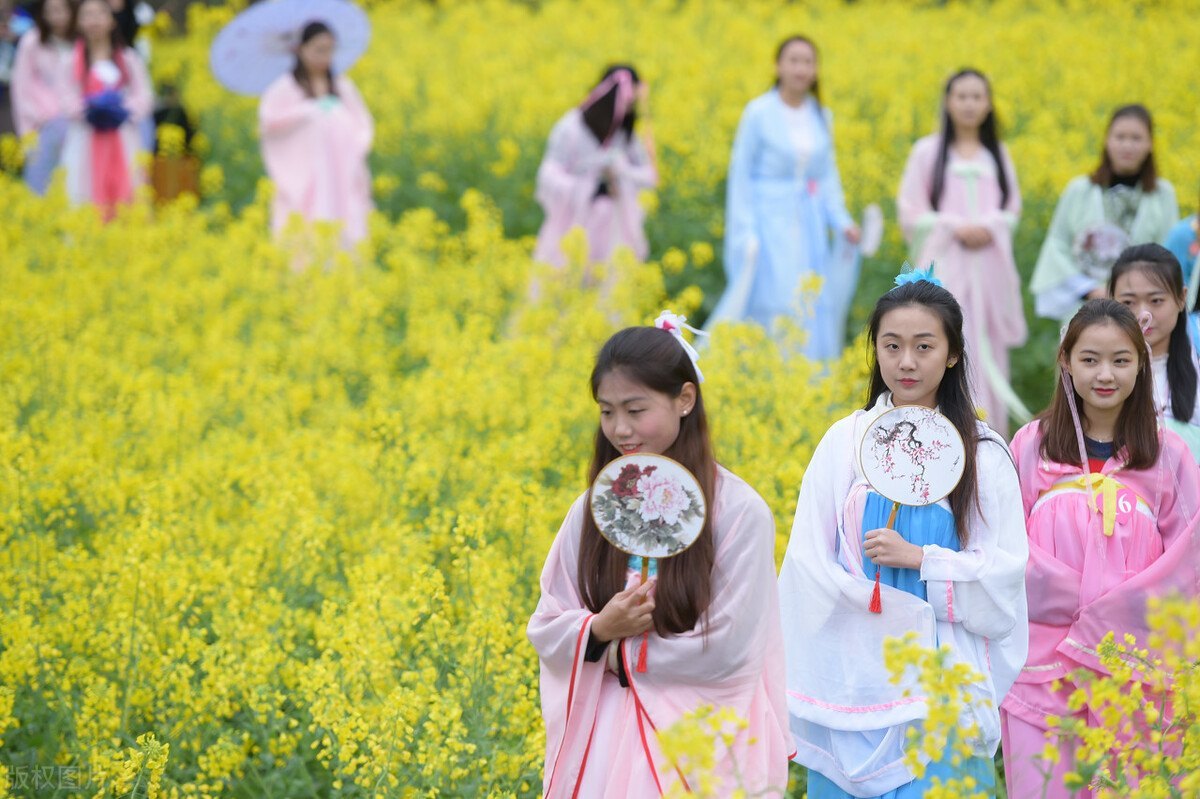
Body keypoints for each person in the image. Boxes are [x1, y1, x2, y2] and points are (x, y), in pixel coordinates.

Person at [779, 270, 1029, 798]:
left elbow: (1003, 575)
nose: (907, 362)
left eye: (924, 346)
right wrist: (868, 618)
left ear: (954, 353)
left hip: (941, 682)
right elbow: (805, 562)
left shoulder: (983, 454)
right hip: (855, 677)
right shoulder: (844, 442)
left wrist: (923, 561)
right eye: (891, 346)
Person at [528, 312, 791, 797]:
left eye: (635, 409)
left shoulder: (739, 512)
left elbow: (731, 649)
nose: (620, 429)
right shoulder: (591, 509)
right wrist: (601, 628)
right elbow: (547, 622)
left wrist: (614, 652)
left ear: (685, 400)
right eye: (607, 412)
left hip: (697, 742)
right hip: (606, 736)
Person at [1000, 299, 1200, 798]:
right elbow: (1002, 546)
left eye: (1121, 360)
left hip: (1136, 667)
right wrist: (1084, 599)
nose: (1104, 374)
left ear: (1141, 362)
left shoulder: (1168, 455)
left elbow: (1189, 560)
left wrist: (1112, 616)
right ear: (1066, 362)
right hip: (1040, 668)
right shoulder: (1030, 446)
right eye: (1089, 359)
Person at [708, 35, 860, 359]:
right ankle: (771, 373)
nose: (801, 69)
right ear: (778, 66)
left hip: (810, 227)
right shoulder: (758, 112)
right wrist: (746, 233)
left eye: (808, 62)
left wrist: (843, 221)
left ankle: (806, 384)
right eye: (793, 60)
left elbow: (827, 176)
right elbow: (741, 176)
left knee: (811, 301)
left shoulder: (822, 115)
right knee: (774, 297)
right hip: (767, 224)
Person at [897, 69, 1027, 435]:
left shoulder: (997, 154)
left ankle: (988, 436)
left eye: (977, 97)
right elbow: (911, 212)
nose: (969, 104)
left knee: (989, 354)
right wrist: (955, 227)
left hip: (988, 273)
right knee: (947, 337)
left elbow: (1012, 210)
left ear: (988, 104)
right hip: (947, 268)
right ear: (948, 102)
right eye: (961, 96)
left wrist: (991, 227)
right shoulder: (926, 152)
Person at [1030, 105, 1177, 322]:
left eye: (1136, 138)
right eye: (1120, 137)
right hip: (1086, 308)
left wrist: (1132, 293)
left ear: (1150, 144)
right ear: (1107, 141)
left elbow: (1169, 253)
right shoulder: (1079, 190)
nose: (1127, 145)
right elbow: (1057, 245)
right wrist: (1090, 290)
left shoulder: (1162, 194)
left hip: (1142, 312)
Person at [258, 21, 374, 252]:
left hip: (340, 175)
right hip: (307, 177)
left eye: (330, 50)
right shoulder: (285, 87)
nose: (325, 57)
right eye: (318, 50)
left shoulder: (342, 85)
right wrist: (308, 113)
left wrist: (335, 120)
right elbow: (270, 123)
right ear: (300, 50)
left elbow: (363, 126)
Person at [533, 65, 658, 270]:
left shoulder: (625, 133)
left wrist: (622, 171)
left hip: (613, 227)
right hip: (572, 224)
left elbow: (650, 176)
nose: (631, 106)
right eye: (629, 100)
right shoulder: (571, 127)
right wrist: (589, 188)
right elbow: (547, 175)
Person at [60, 0, 151, 218]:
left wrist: (122, 108)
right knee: (83, 193)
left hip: (123, 137)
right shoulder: (69, 61)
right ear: (79, 22)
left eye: (99, 14)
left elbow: (144, 96)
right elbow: (65, 99)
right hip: (85, 138)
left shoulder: (128, 59)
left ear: (111, 21)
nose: (94, 21)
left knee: (129, 193)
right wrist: (89, 108)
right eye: (87, 15)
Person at [1109, 244, 1200, 459]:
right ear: (1110, 300)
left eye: (1156, 300)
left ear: (1181, 298)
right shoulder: (1097, 377)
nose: (1143, 314)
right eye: (1128, 302)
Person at [11, 0, 76, 194]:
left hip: (75, 122)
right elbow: (21, 86)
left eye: (61, 10)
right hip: (41, 123)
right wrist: (41, 115)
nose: (56, 16)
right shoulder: (32, 40)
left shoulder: (81, 41)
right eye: (51, 11)